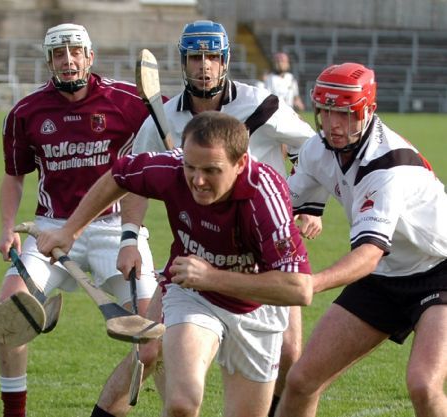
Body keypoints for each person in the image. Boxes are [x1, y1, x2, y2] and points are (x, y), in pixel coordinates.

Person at [86, 20, 318, 417]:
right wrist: (129, 237)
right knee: (148, 348)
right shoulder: (162, 118)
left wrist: (307, 204)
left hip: (261, 256)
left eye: (212, 57)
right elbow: (135, 178)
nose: (204, 66)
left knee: (290, 353)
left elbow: (312, 151)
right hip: (196, 251)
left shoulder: (261, 105)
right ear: (184, 62)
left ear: (225, 61)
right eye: (196, 57)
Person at [37, 110, 314, 417]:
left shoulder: (265, 195)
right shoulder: (171, 168)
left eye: (211, 170)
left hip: (256, 307)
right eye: (190, 167)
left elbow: (299, 289)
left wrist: (211, 276)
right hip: (192, 295)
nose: (198, 180)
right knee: (182, 403)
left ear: (240, 163)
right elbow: (119, 174)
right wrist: (70, 231)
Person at [0, 23, 158, 417]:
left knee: (154, 339)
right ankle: (14, 412)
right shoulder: (26, 112)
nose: (68, 60)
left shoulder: (127, 101)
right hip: (51, 229)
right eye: (58, 53)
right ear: (49, 61)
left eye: (75, 51)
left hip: (115, 229)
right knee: (9, 315)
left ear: (90, 56)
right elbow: (14, 176)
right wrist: (7, 227)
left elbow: (175, 123)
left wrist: (131, 237)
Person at [276, 62, 447, 417]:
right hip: (386, 273)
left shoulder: (388, 166)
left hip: (438, 269)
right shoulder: (317, 149)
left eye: (346, 113)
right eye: (326, 112)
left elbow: (369, 254)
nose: (334, 125)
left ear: (368, 110)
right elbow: (279, 208)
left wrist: (312, 283)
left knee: (423, 385)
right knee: (302, 380)